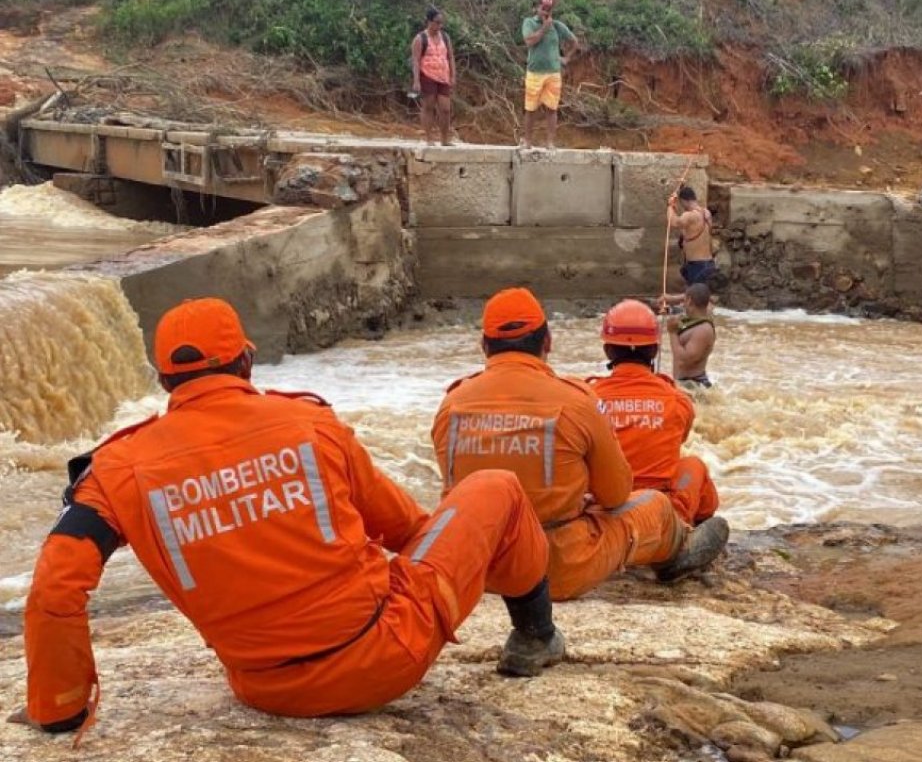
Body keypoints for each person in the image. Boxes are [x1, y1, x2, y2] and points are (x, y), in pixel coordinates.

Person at [13, 297, 563, 738]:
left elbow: (55, 590)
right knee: (495, 487)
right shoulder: (309, 424)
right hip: (385, 657)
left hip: (264, 688)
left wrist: (58, 710)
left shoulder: (116, 469)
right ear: (247, 363)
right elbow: (406, 530)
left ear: (163, 383)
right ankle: (535, 636)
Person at [431, 287, 729, 602]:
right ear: (547, 342)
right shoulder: (577, 400)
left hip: (477, 564)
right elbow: (615, 494)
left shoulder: (451, 404)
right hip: (556, 567)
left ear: (483, 346)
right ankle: (675, 554)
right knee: (654, 506)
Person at [587, 300, 720, 526]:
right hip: (659, 517)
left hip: (602, 515)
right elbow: (680, 437)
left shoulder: (587, 398)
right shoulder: (677, 400)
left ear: (607, 350)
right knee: (693, 465)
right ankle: (690, 535)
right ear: (655, 349)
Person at [520, 0, 577, 150]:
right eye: (543, 7)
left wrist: (566, 59)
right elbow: (529, 41)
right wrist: (544, 27)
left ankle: (550, 142)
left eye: (549, 9)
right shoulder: (529, 23)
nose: (546, 11)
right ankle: (527, 141)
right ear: (537, 8)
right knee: (530, 109)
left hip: (553, 73)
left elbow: (574, 42)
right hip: (534, 73)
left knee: (552, 109)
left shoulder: (558, 26)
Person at [410, 7, 456, 146]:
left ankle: (444, 138)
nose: (439, 26)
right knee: (428, 106)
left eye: (441, 23)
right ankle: (429, 138)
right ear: (429, 22)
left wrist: (453, 75)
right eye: (436, 22)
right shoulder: (420, 39)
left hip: (443, 76)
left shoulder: (445, 37)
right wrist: (416, 80)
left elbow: (450, 57)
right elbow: (416, 60)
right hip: (427, 75)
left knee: (445, 108)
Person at [660, 283, 717, 388]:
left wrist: (672, 333)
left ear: (690, 300)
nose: (682, 303)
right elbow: (701, 293)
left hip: (693, 385)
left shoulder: (703, 330)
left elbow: (683, 361)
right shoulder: (701, 314)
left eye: (684, 300)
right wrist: (672, 299)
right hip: (684, 383)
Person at [669, 185, 717, 286]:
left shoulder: (690, 215)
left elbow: (673, 222)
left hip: (698, 265)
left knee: (695, 297)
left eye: (681, 203)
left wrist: (670, 205)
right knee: (698, 295)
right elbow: (692, 230)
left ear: (684, 201)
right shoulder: (706, 212)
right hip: (707, 263)